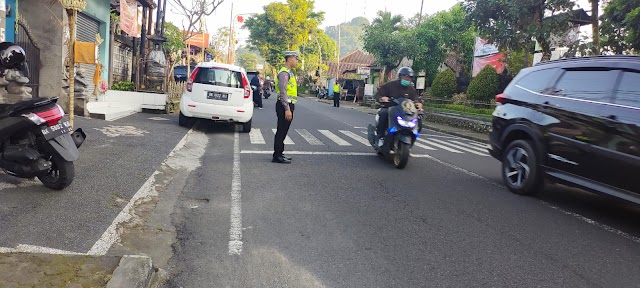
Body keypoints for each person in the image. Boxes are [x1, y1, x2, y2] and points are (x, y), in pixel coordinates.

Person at [374, 67, 423, 147]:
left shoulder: (411, 89)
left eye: (409, 77)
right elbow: (378, 94)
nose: (407, 79)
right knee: (383, 113)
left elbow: (415, 99)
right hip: (390, 108)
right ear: (400, 76)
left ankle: (412, 139)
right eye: (405, 76)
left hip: (405, 111)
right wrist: (382, 98)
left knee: (419, 120)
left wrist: (418, 104)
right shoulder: (390, 85)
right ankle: (381, 137)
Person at [272, 51, 299, 164]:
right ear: (289, 59)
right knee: (281, 130)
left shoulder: (289, 72)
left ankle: (279, 153)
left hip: (287, 104)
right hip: (285, 105)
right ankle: (277, 155)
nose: (297, 61)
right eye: (296, 58)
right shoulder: (284, 73)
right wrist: (287, 109)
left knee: (283, 130)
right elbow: (283, 92)